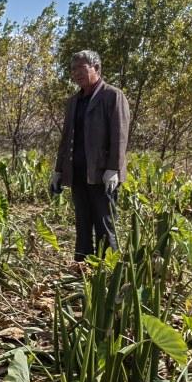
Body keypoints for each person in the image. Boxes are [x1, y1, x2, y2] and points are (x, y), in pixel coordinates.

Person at [50, 50, 130, 261]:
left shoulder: (112, 96)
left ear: (96, 68)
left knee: (104, 225)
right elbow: (66, 138)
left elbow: (119, 135)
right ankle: (82, 271)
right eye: (73, 69)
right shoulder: (73, 101)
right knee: (83, 225)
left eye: (81, 68)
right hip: (78, 173)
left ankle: (108, 276)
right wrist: (58, 171)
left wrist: (114, 168)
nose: (76, 73)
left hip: (102, 174)